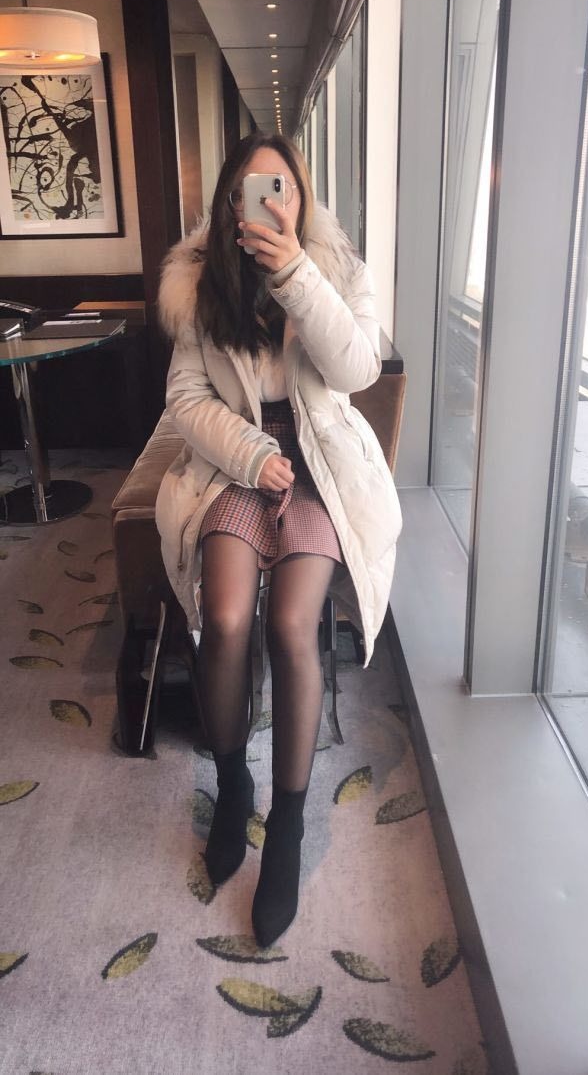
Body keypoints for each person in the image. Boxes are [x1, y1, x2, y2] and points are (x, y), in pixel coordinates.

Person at [155, 132, 402, 946]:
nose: (264, 203)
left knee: (292, 625)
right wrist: (252, 454)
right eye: (248, 192)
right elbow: (186, 398)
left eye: (279, 188)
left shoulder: (339, 269)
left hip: (320, 466)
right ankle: (234, 785)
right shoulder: (200, 283)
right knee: (225, 618)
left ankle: (287, 827)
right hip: (237, 463)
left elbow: (358, 370)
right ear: (230, 203)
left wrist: (295, 270)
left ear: (300, 196)